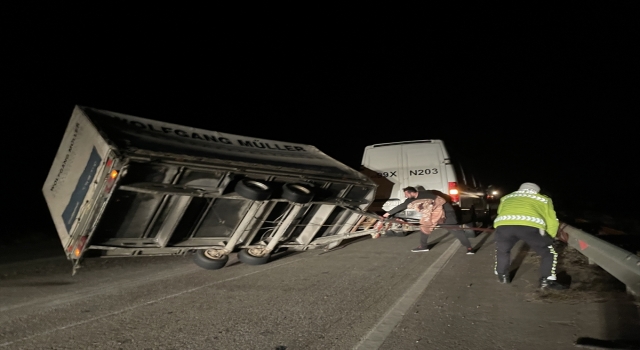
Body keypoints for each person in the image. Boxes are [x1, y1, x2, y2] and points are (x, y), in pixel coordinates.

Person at [493, 182, 566, 290]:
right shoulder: (544, 199)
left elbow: (500, 211)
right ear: (537, 191)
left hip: (503, 226)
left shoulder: (506, 197)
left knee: (502, 250)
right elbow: (552, 221)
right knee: (548, 253)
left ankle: (502, 276)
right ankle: (546, 281)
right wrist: (550, 238)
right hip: (529, 227)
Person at [382, 186, 475, 254]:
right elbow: (401, 206)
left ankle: (469, 248)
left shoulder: (427, 194)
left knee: (456, 231)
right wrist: (386, 214)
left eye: (406, 194)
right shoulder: (411, 199)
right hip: (432, 216)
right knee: (424, 228)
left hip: (446, 213)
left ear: (411, 192)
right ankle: (423, 246)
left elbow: (441, 200)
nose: (405, 196)